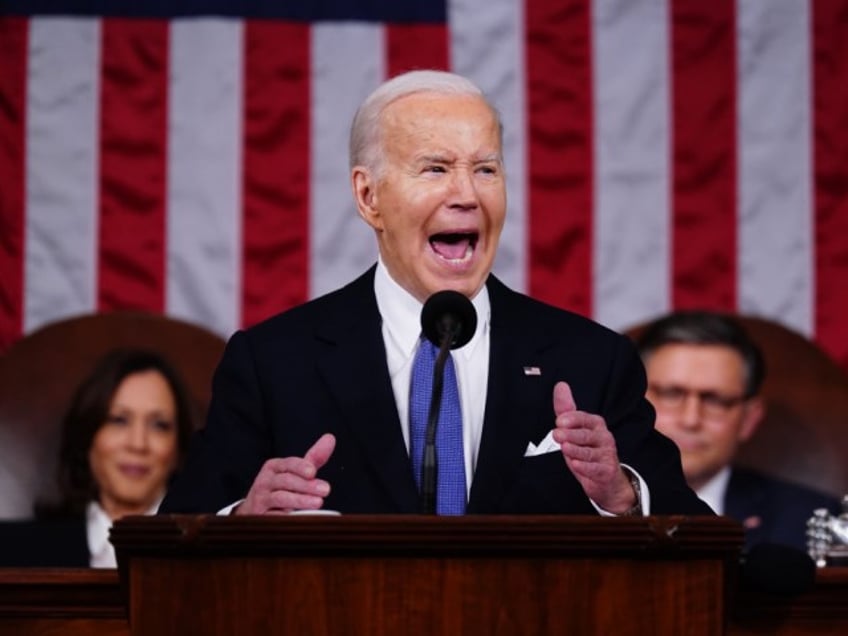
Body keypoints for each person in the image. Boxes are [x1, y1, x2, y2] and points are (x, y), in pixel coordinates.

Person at [160, 70, 710, 518]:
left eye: (486, 169)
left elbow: (698, 540)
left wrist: (620, 495)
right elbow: (176, 539)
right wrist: (245, 518)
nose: (467, 194)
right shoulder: (275, 362)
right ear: (368, 195)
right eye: (436, 168)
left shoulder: (590, 360)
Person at [634, 310, 840, 551]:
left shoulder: (811, 522)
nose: (691, 420)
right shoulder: (584, 506)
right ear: (634, 404)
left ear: (749, 419)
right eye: (671, 394)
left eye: (715, 400)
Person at [0, 349, 196, 567]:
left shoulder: (207, 558)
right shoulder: (12, 551)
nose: (138, 444)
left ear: (179, 449)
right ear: (88, 438)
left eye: (159, 425)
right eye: (119, 420)